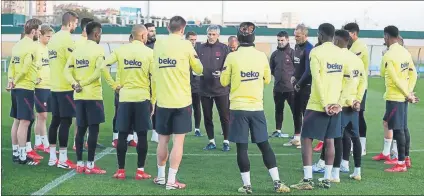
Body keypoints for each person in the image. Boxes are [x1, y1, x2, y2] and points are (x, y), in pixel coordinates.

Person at [220, 21, 290, 194]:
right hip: (256, 108)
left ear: (238, 38)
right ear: (253, 38)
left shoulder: (232, 57)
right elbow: (267, 80)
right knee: (264, 145)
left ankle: (247, 186)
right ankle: (277, 182)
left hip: (238, 108)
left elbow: (223, 81)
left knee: (241, 148)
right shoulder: (261, 56)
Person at [290, 23, 348, 190]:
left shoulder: (316, 52)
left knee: (306, 138)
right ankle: (326, 179)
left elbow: (317, 79)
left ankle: (308, 179)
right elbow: (347, 81)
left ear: (320, 35)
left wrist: (325, 104)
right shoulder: (341, 53)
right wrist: (338, 103)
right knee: (330, 140)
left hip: (318, 104)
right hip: (336, 105)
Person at [152, 16, 203, 190]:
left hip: (163, 101)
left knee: (162, 141)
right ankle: (171, 180)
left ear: (167, 27)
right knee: (178, 142)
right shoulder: (186, 45)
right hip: (181, 101)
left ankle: (160, 177)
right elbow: (199, 69)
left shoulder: (159, 44)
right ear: (182, 30)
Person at [99, 24, 155, 179]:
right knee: (142, 135)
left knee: (122, 135)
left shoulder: (121, 50)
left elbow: (103, 66)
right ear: (143, 36)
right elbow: (155, 79)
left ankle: (121, 170)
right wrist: (153, 100)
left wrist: (114, 85)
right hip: (142, 98)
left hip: (124, 98)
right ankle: (140, 171)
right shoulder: (150, 53)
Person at [313, 30, 366, 181]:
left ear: (336, 40)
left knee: (336, 138)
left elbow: (341, 82)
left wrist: (338, 102)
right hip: (353, 105)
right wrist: (357, 100)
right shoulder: (356, 59)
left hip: (340, 104)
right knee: (354, 137)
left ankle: (335, 174)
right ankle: (357, 171)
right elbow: (363, 82)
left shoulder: (338, 57)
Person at [64, 21, 107, 174]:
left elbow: (66, 71)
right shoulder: (99, 49)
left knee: (81, 129)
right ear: (97, 34)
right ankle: (90, 165)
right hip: (93, 95)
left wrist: (75, 84)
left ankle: (80, 164)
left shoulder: (77, 50)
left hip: (79, 95)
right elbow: (97, 72)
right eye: (100, 34)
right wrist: (82, 83)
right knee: (93, 130)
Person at [373, 26, 417, 172]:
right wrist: (409, 91)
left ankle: (401, 163)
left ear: (386, 37)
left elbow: (387, 75)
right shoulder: (405, 51)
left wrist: (407, 94)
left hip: (395, 97)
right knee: (402, 127)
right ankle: (406, 159)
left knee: (398, 130)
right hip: (403, 96)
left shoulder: (389, 55)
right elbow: (414, 74)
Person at [7, 18, 43, 166]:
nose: (39, 33)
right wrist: (17, 80)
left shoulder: (17, 45)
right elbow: (26, 66)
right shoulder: (33, 46)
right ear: (33, 31)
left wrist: (11, 80)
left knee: (16, 120)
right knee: (25, 122)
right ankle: (23, 157)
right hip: (25, 88)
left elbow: (11, 65)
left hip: (16, 88)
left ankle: (16, 153)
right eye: (39, 30)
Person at [47, 11, 79, 169]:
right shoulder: (67, 39)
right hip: (65, 86)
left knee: (55, 121)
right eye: (76, 23)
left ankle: (53, 157)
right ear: (71, 23)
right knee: (66, 122)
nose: (77, 26)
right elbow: (72, 63)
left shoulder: (52, 39)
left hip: (53, 86)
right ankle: (63, 159)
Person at [197, 25, 231, 151]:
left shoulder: (224, 48)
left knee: (224, 116)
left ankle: (226, 141)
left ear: (218, 35)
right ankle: (211, 141)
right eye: (209, 34)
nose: (211, 37)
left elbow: (228, 66)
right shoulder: (199, 47)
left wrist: (222, 73)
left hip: (220, 89)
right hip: (204, 88)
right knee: (207, 116)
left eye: (213, 34)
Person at [286, 24, 314, 149]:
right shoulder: (297, 47)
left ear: (305, 35)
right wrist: (293, 75)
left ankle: (306, 140)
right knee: (296, 112)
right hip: (296, 85)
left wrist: (299, 83)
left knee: (305, 114)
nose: (295, 38)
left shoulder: (309, 49)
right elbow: (297, 66)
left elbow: (308, 71)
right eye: (295, 35)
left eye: (298, 36)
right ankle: (297, 137)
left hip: (306, 86)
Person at [343, 23, 370, 156]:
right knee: (351, 115)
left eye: (347, 33)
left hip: (358, 87)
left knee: (358, 115)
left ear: (353, 34)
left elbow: (349, 63)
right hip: (351, 87)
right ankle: (353, 144)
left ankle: (361, 146)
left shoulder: (359, 46)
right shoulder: (352, 46)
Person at [111, 34, 138, 148]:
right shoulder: (121, 51)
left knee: (132, 114)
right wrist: (114, 85)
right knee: (119, 113)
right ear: (130, 39)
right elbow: (105, 65)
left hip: (135, 88)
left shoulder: (140, 53)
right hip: (121, 88)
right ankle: (115, 137)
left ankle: (130, 137)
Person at [32, 25, 55, 155]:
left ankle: (38, 143)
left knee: (41, 116)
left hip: (49, 86)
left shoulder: (48, 49)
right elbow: (31, 65)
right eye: (48, 36)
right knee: (43, 115)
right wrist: (36, 78)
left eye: (51, 36)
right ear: (40, 35)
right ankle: (45, 143)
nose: (49, 39)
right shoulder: (36, 48)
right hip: (39, 87)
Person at [269, 31, 295, 138]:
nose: (280, 42)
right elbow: (271, 69)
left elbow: (297, 69)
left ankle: (298, 133)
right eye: (278, 40)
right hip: (278, 88)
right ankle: (278, 130)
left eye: (282, 40)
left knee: (295, 111)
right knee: (278, 110)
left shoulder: (293, 53)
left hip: (291, 89)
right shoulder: (274, 54)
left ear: (287, 40)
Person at [186, 31, 203, 137]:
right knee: (185, 107)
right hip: (184, 84)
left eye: (194, 39)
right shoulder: (182, 50)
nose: (193, 42)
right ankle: (185, 127)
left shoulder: (199, 50)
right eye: (191, 39)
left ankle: (197, 128)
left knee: (197, 107)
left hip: (196, 83)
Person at [144, 22, 159, 143]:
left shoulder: (158, 45)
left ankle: (155, 132)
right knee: (141, 106)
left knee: (157, 106)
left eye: (154, 30)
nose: (153, 33)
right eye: (150, 30)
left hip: (155, 80)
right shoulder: (140, 45)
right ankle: (136, 133)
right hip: (142, 80)